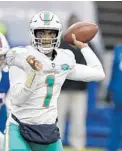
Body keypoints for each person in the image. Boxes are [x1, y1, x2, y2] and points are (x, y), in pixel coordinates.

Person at [4, 10, 105, 151]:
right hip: (21, 127)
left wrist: (85, 47)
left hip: (48, 130)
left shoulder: (63, 59)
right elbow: (17, 99)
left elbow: (99, 74)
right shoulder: (23, 56)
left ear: (57, 34)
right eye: (42, 33)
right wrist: (34, 76)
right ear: (33, 34)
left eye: (50, 33)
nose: (46, 38)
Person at [57, 14, 102, 151]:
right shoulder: (61, 43)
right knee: (58, 119)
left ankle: (78, 146)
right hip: (62, 89)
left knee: (78, 120)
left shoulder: (88, 45)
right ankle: (55, 144)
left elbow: (96, 64)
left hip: (80, 90)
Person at [105, 44, 122, 151]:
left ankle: (112, 147)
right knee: (115, 124)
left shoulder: (118, 50)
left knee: (115, 124)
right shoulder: (118, 50)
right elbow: (114, 72)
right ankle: (112, 147)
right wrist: (110, 89)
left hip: (118, 91)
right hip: (118, 92)